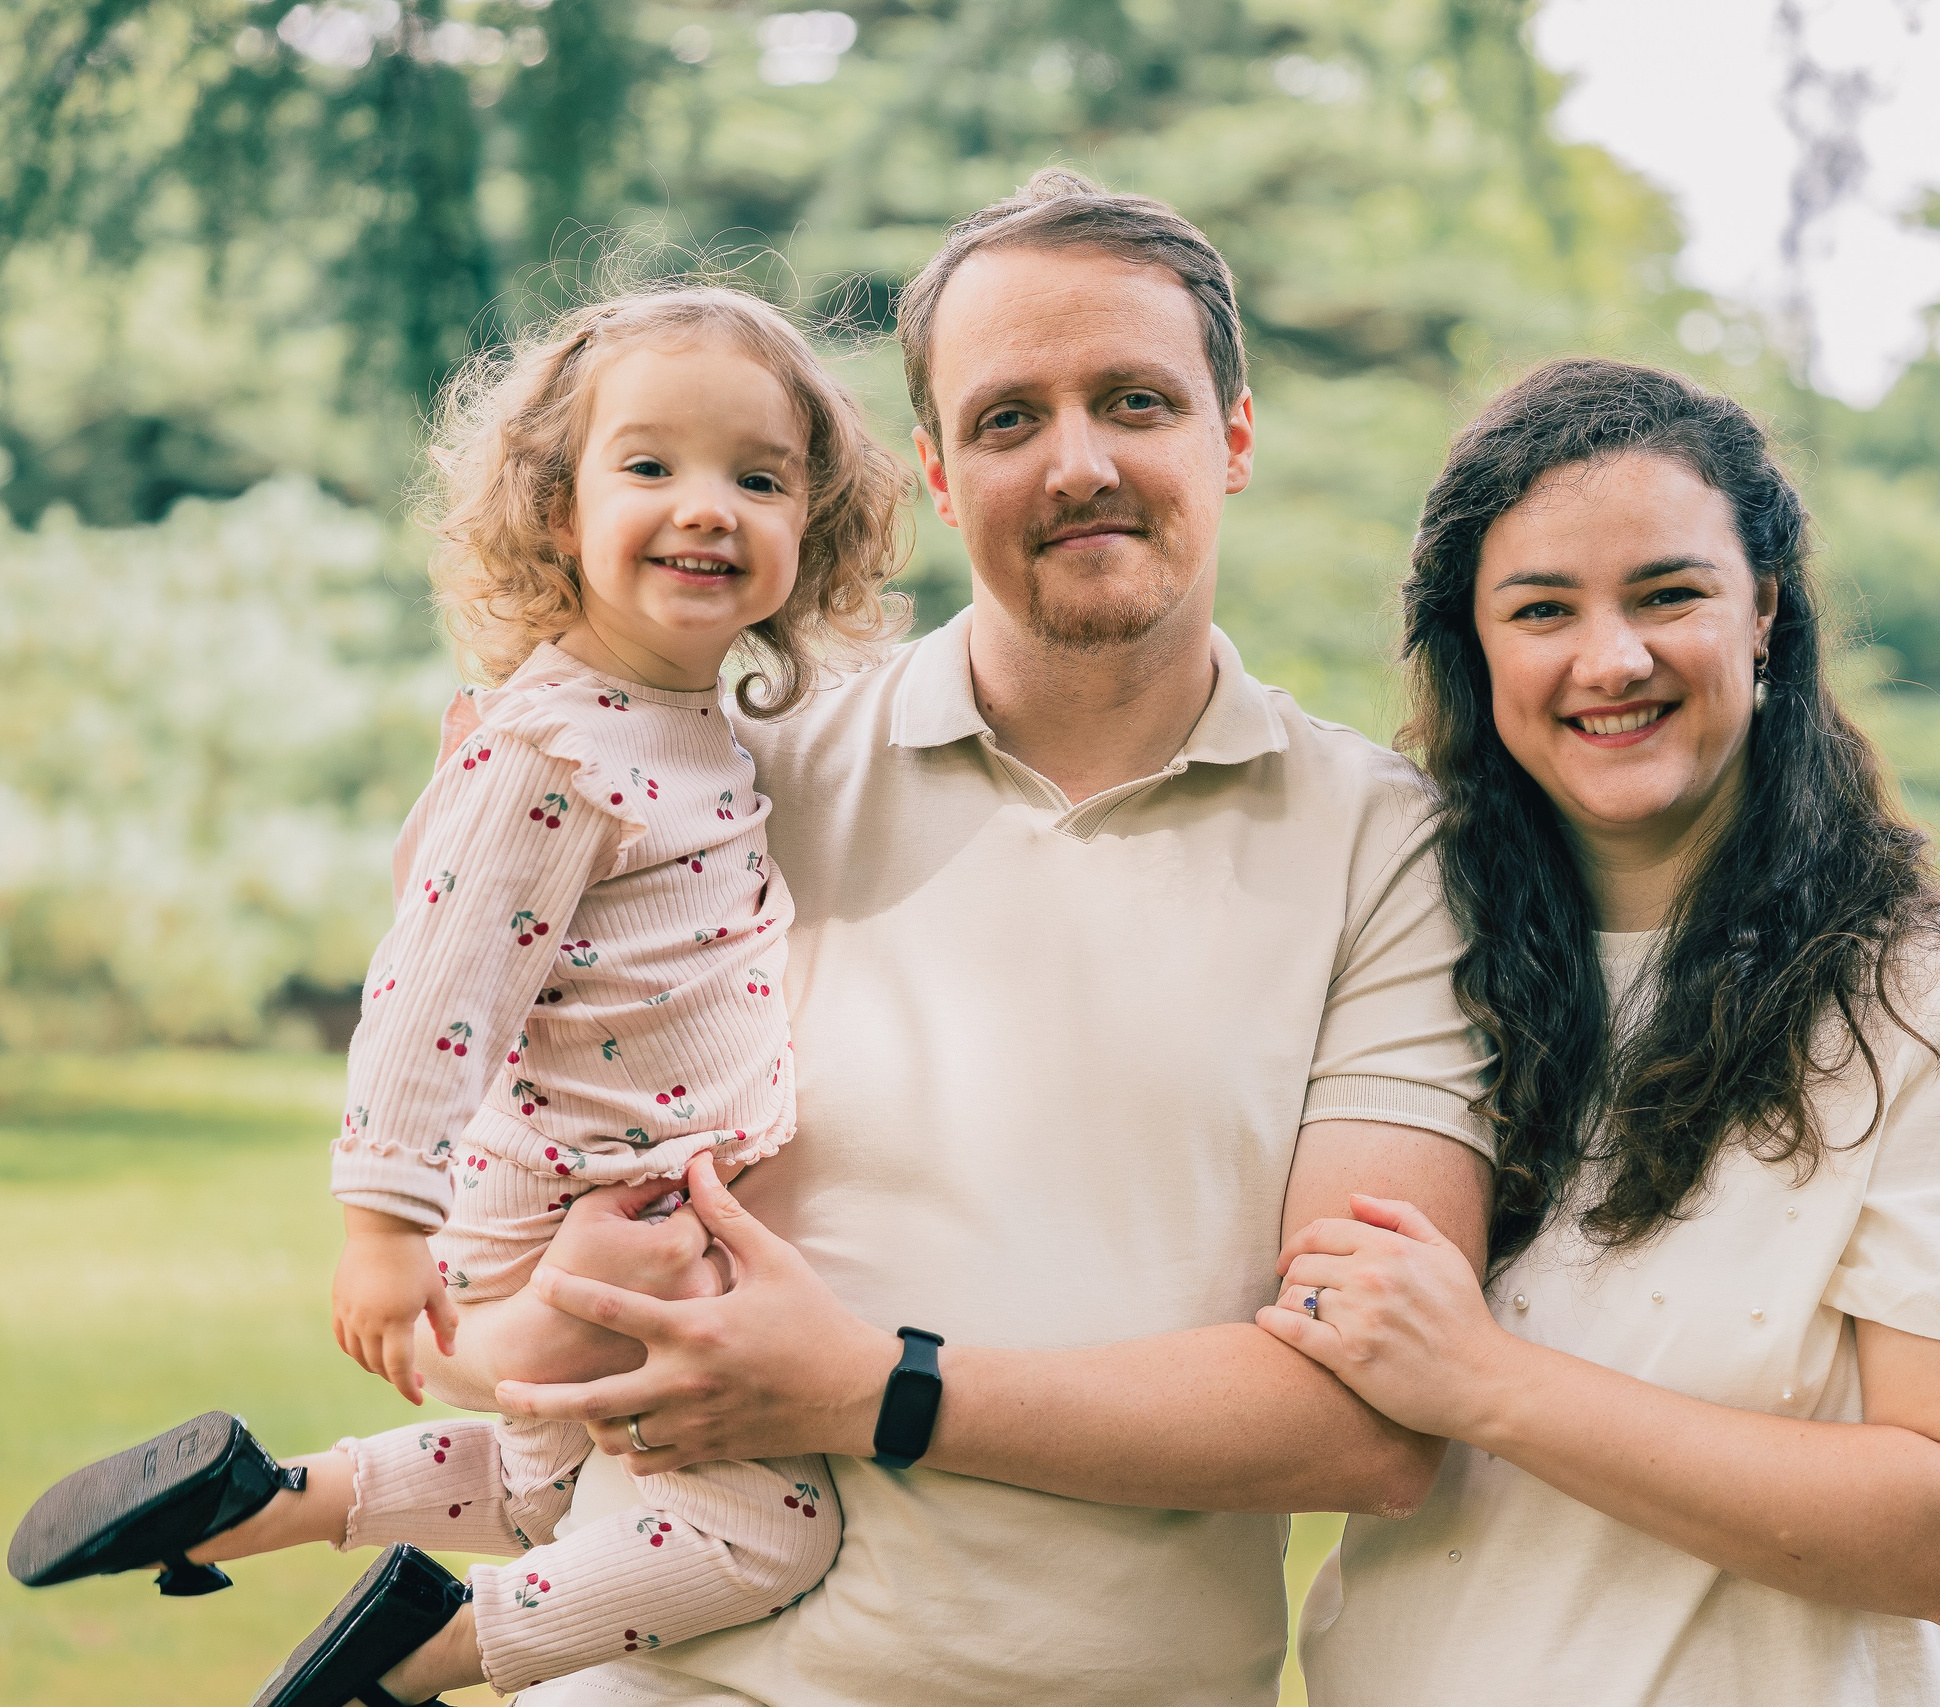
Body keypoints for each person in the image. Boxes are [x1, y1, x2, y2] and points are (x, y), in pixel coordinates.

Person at [421, 170, 1497, 1705]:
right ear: (932, 468)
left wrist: (885, 1395)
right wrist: (550, 1310)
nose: (1078, 465)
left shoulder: (1385, 847)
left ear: (1233, 438)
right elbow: (462, 1275)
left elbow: (1368, 1424)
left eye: (1135, 401)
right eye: (1008, 420)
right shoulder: (729, 785)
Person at [7, 283, 911, 1706]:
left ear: (811, 525)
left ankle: (254, 1499)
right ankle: (419, 1659)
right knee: (761, 1531)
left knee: (554, 1490)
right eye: (650, 466)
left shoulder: (685, 727)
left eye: (760, 477)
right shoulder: (552, 747)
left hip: (622, 1206)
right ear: (558, 509)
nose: (709, 507)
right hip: (586, 1219)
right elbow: (433, 992)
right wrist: (381, 1224)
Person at [1255, 358, 1940, 1705]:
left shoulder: (1932, 998)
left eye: (1669, 594)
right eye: (1542, 609)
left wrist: (1486, 1384)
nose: (1612, 659)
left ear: (1763, 609)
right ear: (1476, 651)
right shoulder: (1420, 980)